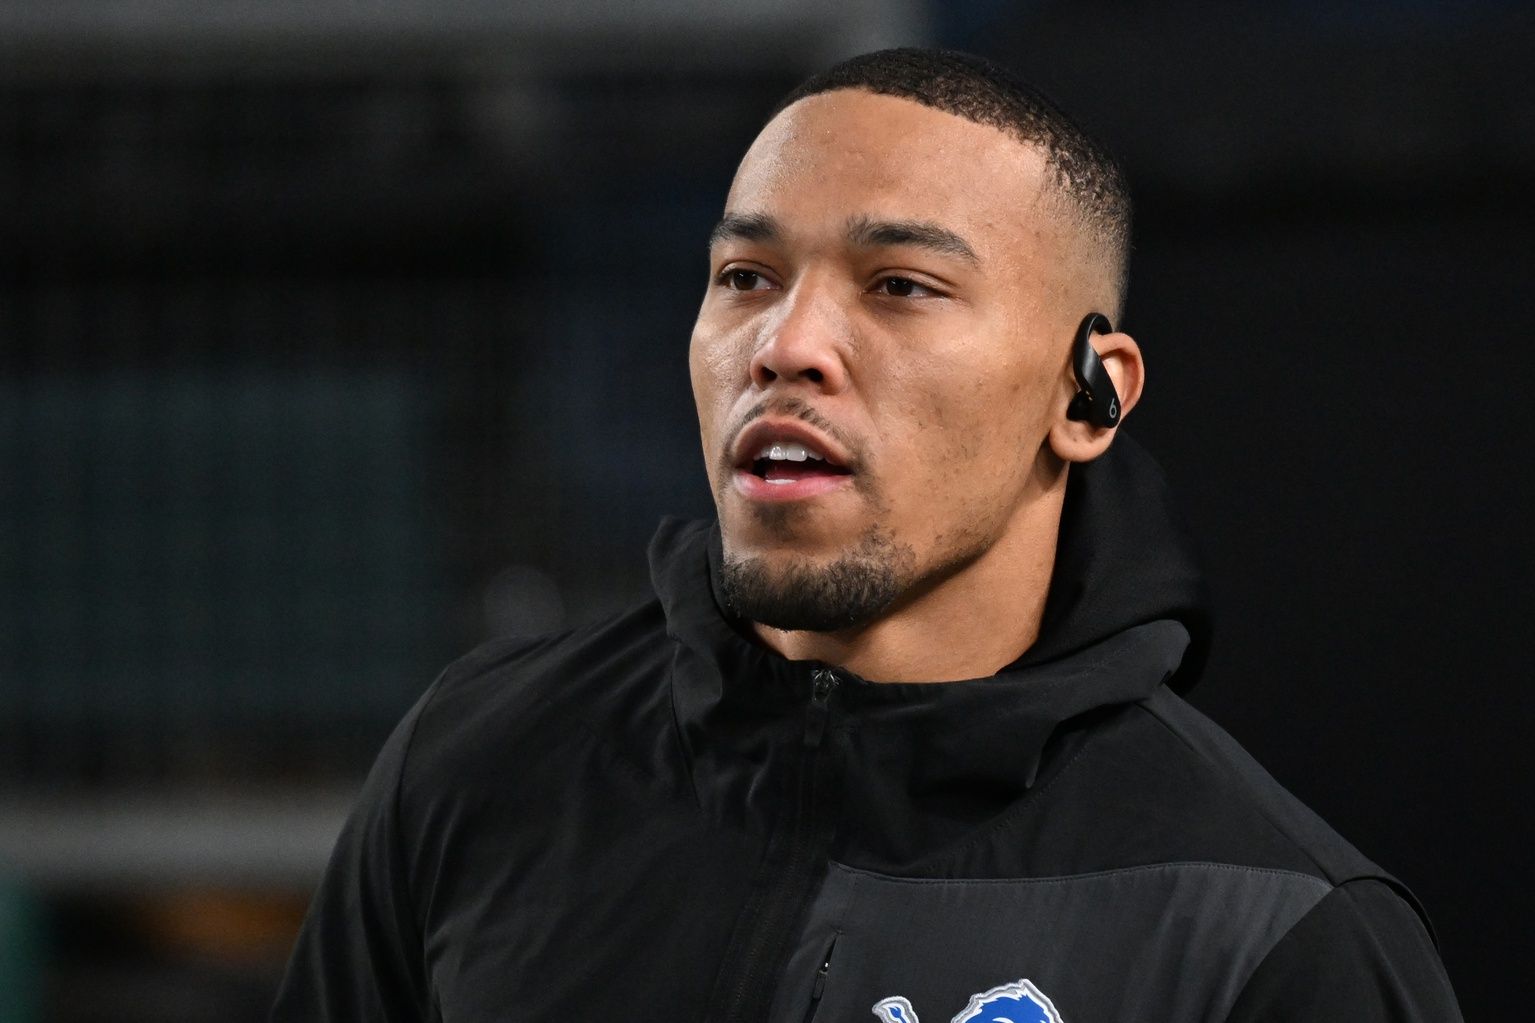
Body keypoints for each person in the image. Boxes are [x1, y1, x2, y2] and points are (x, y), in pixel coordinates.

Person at [273, 48, 1462, 1021]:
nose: (783, 344)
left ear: (1084, 394)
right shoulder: (480, 762)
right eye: (745, 275)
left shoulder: (1275, 931)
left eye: (897, 284)